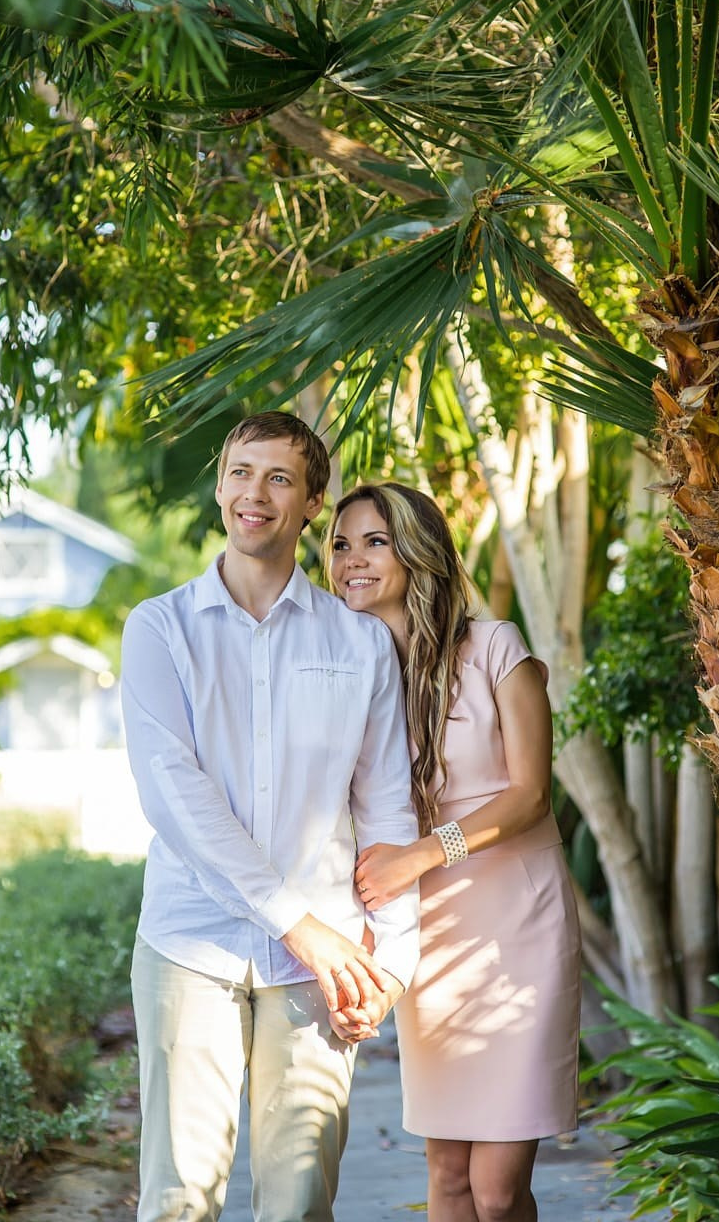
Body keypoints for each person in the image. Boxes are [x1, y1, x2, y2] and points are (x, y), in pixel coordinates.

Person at [120, 414, 420, 1222]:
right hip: (190, 945)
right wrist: (301, 924)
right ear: (220, 487)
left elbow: (386, 803)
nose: (256, 493)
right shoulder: (159, 628)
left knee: (298, 1203)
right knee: (180, 1196)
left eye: (280, 478)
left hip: (324, 972)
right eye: (241, 472)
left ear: (312, 502)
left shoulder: (358, 644)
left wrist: (391, 962)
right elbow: (175, 798)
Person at [324, 482, 581, 1222]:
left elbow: (531, 794)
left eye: (374, 541)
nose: (352, 560)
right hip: (426, 937)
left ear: (417, 549)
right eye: (340, 544)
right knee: (446, 1178)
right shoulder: (354, 677)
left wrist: (417, 856)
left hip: (516, 929)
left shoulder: (496, 646)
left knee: (498, 1194)